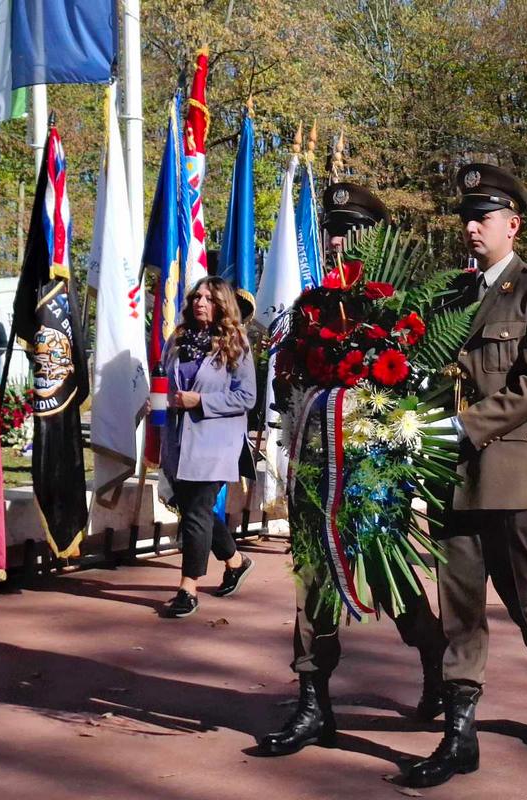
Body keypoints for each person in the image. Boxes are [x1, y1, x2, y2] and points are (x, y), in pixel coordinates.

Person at [404, 163, 527, 789]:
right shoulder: (453, 296)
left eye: (483, 217)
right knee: (458, 600)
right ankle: (460, 735)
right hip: (450, 471)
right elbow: (433, 374)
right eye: (466, 218)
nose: (471, 227)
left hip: (512, 467)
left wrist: (464, 426)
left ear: (513, 225)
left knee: (526, 592)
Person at [259, 183, 447, 757]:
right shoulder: (310, 304)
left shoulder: (395, 306)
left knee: (389, 578)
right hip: (317, 468)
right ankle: (313, 703)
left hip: (371, 470)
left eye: (351, 230)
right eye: (332, 230)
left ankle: (435, 656)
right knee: (312, 580)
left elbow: (416, 386)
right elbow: (288, 380)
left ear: (374, 235)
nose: (339, 240)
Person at [160, 277, 256, 619]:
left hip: (216, 442)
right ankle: (236, 561)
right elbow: (165, 381)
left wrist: (200, 401)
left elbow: (247, 397)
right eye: (196, 297)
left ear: (221, 304)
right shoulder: (178, 339)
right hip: (179, 441)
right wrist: (159, 401)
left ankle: (188, 589)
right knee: (194, 510)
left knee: (197, 511)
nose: (200, 302)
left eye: (209, 298)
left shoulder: (235, 342)